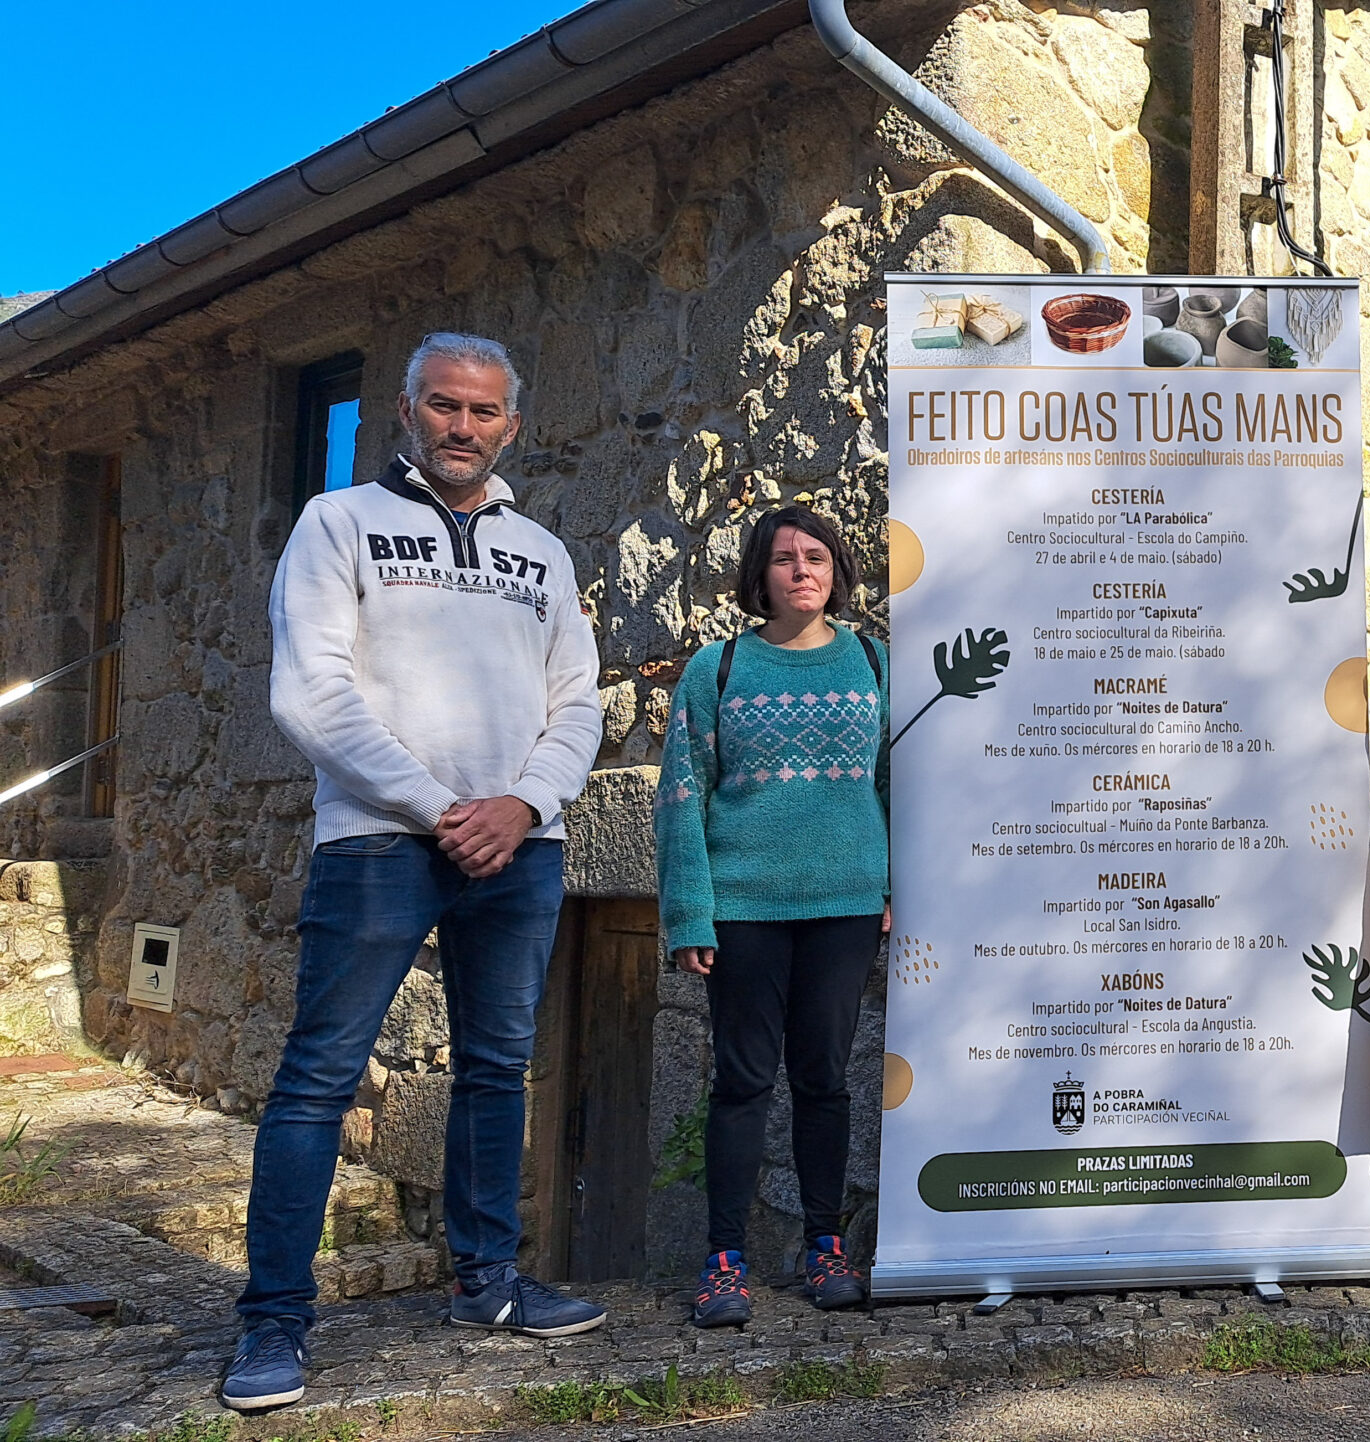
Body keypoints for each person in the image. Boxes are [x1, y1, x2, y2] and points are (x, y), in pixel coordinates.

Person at [229, 333, 606, 1411]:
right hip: (381, 843)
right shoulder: (335, 523)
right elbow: (311, 692)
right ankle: (272, 1322)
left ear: (511, 427)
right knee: (317, 1079)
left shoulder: (542, 550)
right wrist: (442, 807)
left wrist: (523, 803)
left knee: (497, 1068)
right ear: (405, 411)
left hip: (519, 847)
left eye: (484, 412)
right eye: (444, 406)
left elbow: (575, 699)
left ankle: (486, 1281)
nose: (463, 426)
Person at [654, 505, 890, 1328]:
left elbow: (900, 782)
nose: (801, 571)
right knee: (743, 1083)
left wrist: (897, 887)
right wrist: (690, 914)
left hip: (848, 904)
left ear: (837, 572)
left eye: (816, 557)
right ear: (758, 576)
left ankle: (824, 1247)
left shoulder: (872, 661)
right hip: (745, 907)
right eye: (784, 559)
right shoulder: (716, 670)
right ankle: (723, 1262)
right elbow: (680, 796)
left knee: (824, 1080)